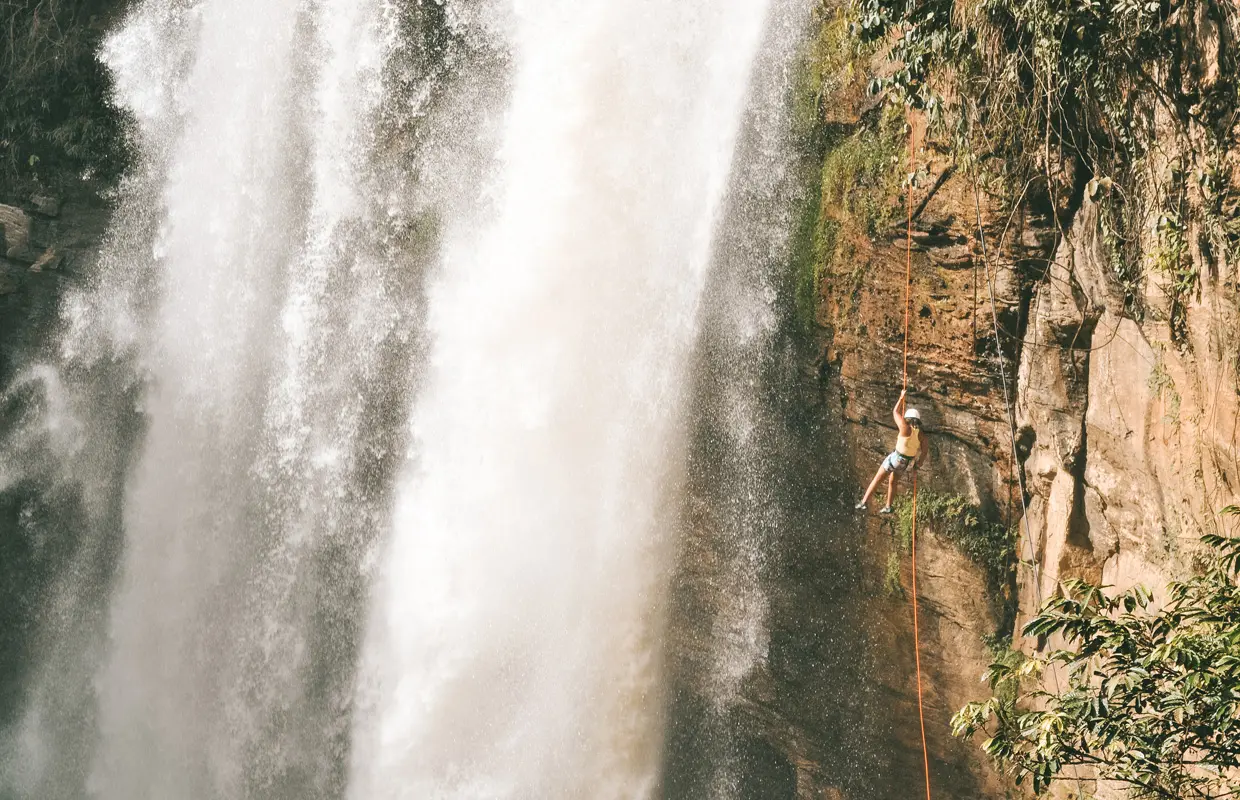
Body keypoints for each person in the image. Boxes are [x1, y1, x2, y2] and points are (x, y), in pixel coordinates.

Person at [855, 389, 928, 514]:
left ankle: (864, 502)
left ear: (908, 419)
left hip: (896, 458)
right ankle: (888, 506)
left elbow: (895, 412)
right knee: (893, 482)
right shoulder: (921, 435)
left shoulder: (905, 427)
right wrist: (918, 464)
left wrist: (901, 398)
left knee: (878, 479)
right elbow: (925, 450)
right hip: (905, 463)